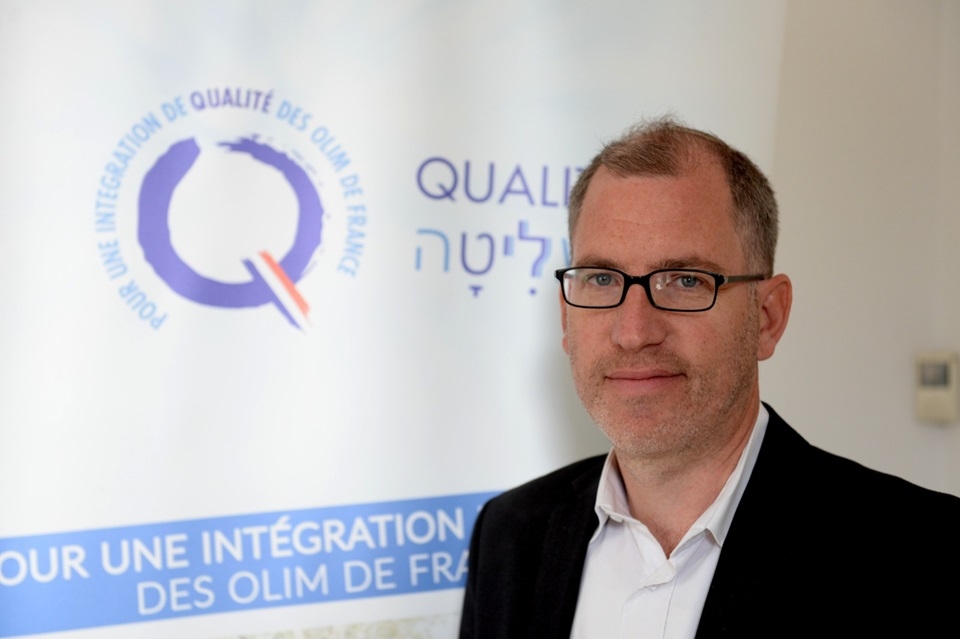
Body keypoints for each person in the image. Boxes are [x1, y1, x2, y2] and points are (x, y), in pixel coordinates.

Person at [459, 118, 960, 637]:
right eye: (602, 278)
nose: (634, 332)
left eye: (684, 280)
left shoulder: (923, 557)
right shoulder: (510, 535)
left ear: (767, 317)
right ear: (567, 318)